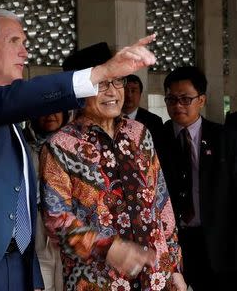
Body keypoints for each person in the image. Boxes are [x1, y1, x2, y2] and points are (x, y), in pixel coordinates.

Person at [0, 8, 157, 291]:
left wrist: (30, 274)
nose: (25, 52)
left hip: (15, 267)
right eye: (15, 41)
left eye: (25, 43)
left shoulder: (7, 116)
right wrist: (100, 72)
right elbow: (10, 101)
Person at [40, 45, 186, 291]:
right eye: (101, 84)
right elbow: (56, 220)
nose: (113, 92)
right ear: (78, 91)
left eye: (117, 82)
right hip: (97, 280)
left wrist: (175, 267)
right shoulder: (60, 146)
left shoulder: (140, 133)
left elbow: (162, 203)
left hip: (155, 277)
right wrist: (106, 247)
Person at [158, 66, 231, 290]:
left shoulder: (224, 137)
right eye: (171, 99)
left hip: (217, 239)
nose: (178, 105)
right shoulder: (155, 139)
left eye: (186, 99)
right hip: (174, 240)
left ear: (201, 100)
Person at [23, 111, 71, 291]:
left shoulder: (74, 147)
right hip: (35, 228)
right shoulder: (25, 147)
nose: (50, 114)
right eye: (44, 109)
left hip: (69, 229)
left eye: (57, 109)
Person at [122, 74, 164, 154]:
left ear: (140, 94)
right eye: (125, 90)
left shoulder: (154, 121)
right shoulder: (109, 119)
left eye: (133, 91)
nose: (129, 95)